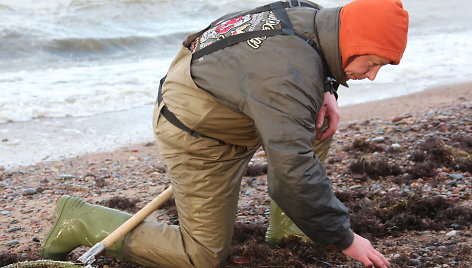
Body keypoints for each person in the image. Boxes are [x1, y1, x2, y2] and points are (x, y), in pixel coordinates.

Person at [40, 0, 408, 267]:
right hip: (199, 134)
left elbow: (304, 44)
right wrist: (344, 239)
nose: (372, 75)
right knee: (200, 256)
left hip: (238, 104)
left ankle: (293, 227)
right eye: (372, 63)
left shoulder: (313, 18)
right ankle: (81, 220)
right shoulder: (287, 75)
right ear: (352, 42)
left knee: (316, 124)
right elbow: (292, 173)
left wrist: (327, 86)